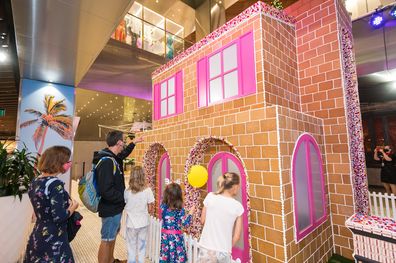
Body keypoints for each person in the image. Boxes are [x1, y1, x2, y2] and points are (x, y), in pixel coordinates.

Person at [93, 131, 143, 263]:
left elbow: (124, 153)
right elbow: (106, 190)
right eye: (124, 140)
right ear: (119, 142)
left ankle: (111, 260)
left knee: (112, 237)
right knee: (107, 240)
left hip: (114, 207)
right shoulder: (107, 162)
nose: (124, 143)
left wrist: (134, 143)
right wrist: (123, 198)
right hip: (109, 207)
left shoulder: (113, 157)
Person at [24, 146, 79, 263]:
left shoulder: (35, 181)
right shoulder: (55, 184)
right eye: (67, 161)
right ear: (59, 163)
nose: (69, 164)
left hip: (38, 235)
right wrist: (73, 207)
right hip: (54, 238)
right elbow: (59, 216)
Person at [198, 172, 244, 263]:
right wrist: (226, 246)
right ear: (235, 186)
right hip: (224, 250)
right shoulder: (238, 206)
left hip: (207, 247)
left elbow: (202, 221)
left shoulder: (210, 197)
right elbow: (237, 236)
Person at [124, 166, 154, 263]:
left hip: (131, 223)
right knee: (142, 247)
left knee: (131, 248)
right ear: (143, 176)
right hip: (143, 223)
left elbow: (125, 204)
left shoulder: (127, 191)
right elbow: (150, 209)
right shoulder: (148, 191)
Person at [159, 183, 195, 263]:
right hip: (176, 239)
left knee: (166, 257)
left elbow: (163, 198)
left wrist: (168, 189)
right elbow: (185, 223)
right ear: (179, 196)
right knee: (177, 258)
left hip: (165, 238)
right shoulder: (179, 210)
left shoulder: (163, 206)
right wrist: (190, 213)